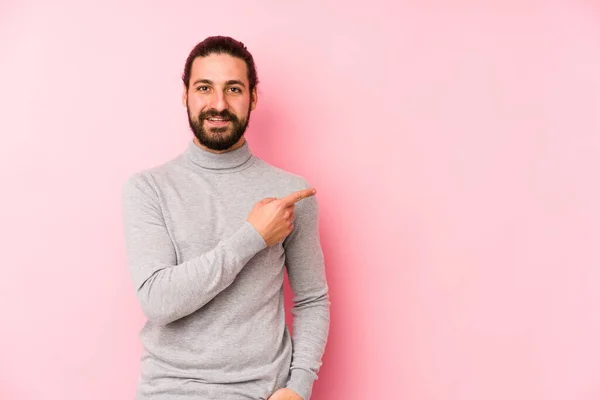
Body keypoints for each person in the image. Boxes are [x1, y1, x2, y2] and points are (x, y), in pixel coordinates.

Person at [121, 36, 330, 400]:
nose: (218, 104)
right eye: (205, 88)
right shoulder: (149, 188)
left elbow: (312, 299)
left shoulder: (291, 194)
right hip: (170, 392)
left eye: (233, 89)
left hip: (262, 392)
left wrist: (298, 388)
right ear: (185, 94)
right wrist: (252, 236)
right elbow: (157, 301)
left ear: (253, 96)